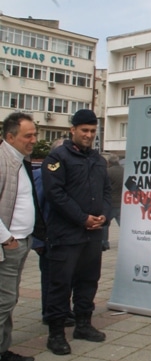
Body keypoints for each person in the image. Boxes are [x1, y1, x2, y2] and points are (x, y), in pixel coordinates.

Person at [41, 109, 110, 355]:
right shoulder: (57, 158)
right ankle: (56, 334)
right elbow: (55, 195)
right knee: (60, 285)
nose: (89, 135)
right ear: (73, 130)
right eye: (84, 130)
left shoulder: (98, 160)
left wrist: (104, 215)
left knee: (88, 281)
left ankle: (83, 324)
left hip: (93, 235)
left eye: (92, 131)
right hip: (66, 235)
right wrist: (82, 219)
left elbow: (106, 193)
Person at [0, 112, 45, 361]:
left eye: (35, 134)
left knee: (9, 299)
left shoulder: (19, 160)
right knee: (4, 301)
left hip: (21, 241)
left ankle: (3, 350)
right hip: (8, 245)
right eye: (28, 135)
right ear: (10, 136)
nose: (34, 140)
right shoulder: (2, 160)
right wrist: (7, 239)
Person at [32, 139, 75, 327]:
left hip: (65, 236)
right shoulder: (43, 175)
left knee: (64, 278)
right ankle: (49, 313)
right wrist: (38, 241)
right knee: (51, 278)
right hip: (49, 237)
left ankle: (63, 310)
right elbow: (37, 209)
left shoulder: (66, 174)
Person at [101, 154, 124, 251]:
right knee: (123, 225)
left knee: (105, 224)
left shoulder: (108, 172)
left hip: (111, 203)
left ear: (109, 162)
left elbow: (103, 187)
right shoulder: (124, 171)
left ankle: (104, 243)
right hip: (122, 203)